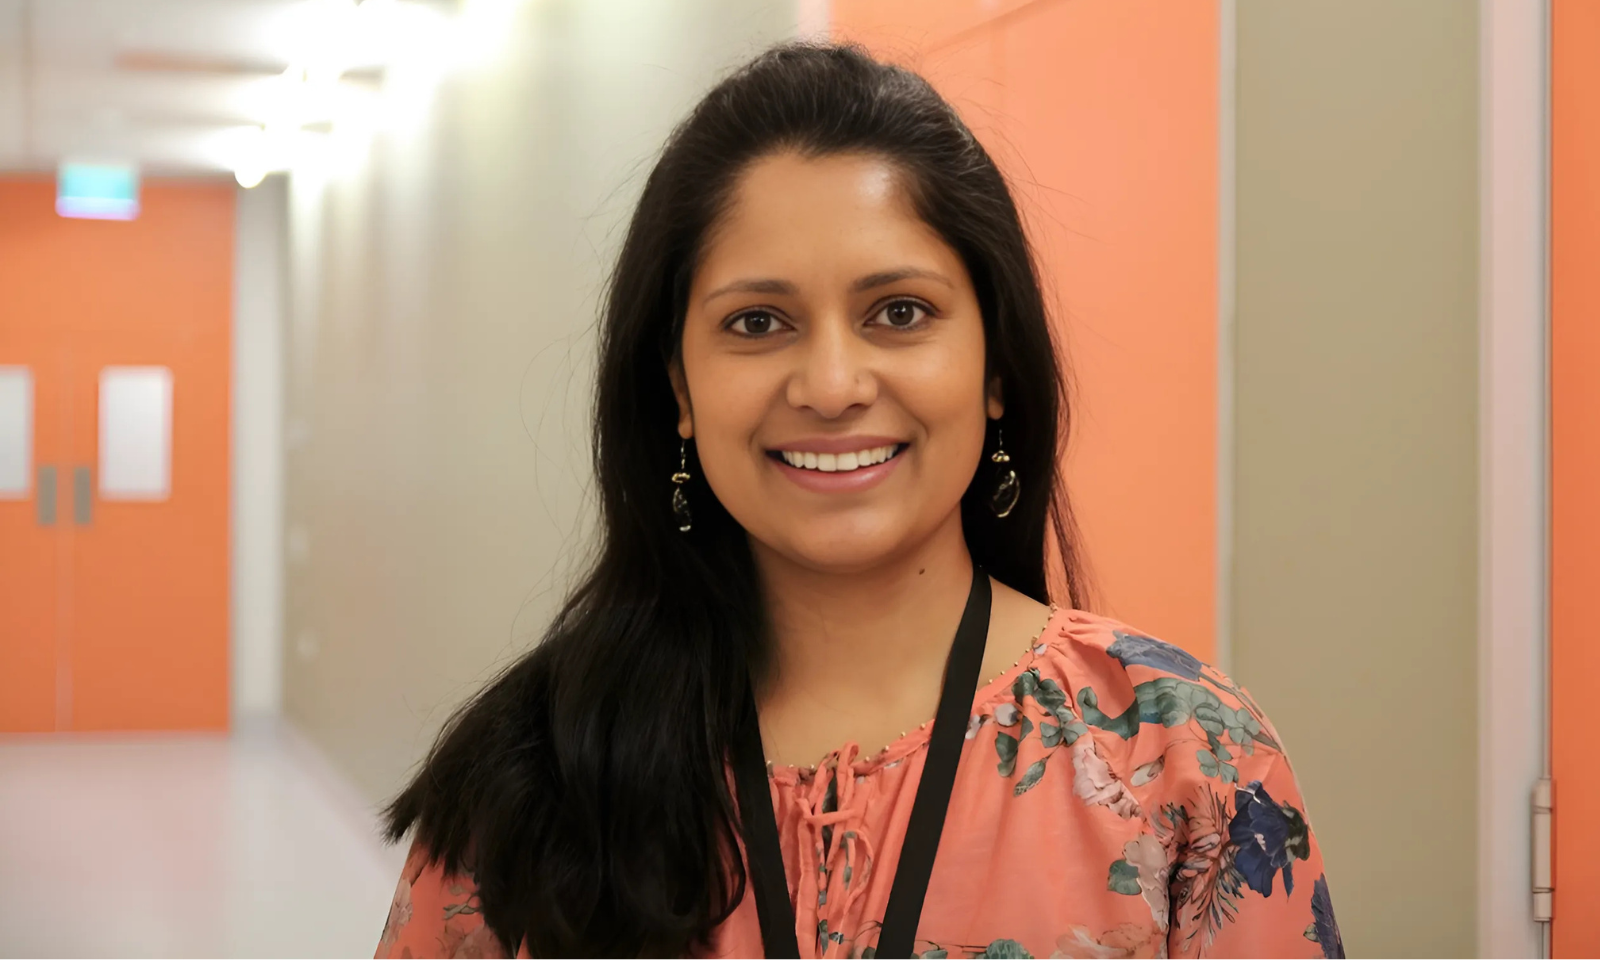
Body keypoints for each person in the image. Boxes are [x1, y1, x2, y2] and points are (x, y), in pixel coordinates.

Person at [375, 42, 1342, 960]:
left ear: (994, 366)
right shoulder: (531, 775)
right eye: (758, 322)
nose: (832, 385)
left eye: (899, 313)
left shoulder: (1188, 761)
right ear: (678, 387)